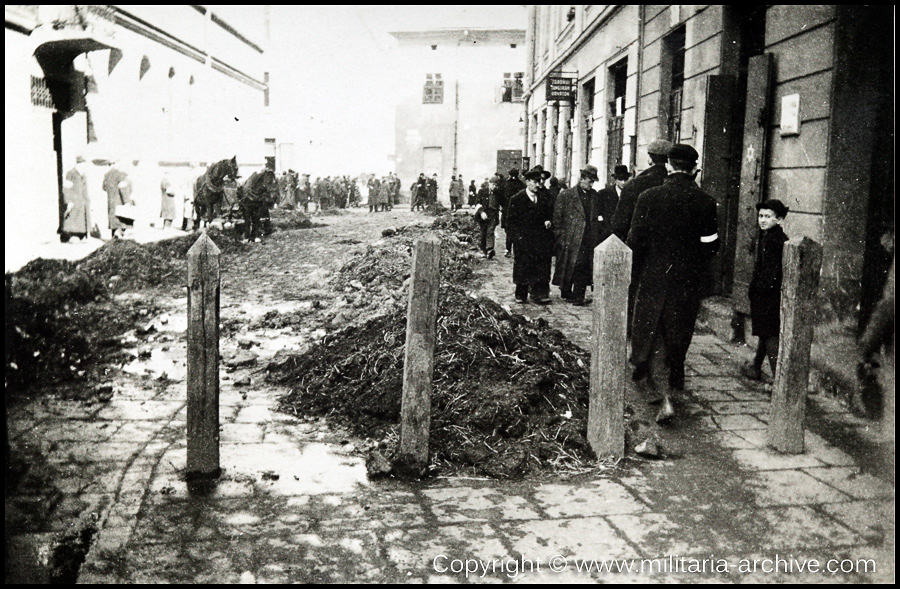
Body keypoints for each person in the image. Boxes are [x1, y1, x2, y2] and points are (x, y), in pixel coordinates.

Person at [627, 143, 719, 424]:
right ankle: (672, 385)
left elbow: (634, 242)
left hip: (654, 277)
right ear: (694, 169)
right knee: (678, 333)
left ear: (667, 166)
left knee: (653, 331)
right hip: (686, 281)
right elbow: (711, 245)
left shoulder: (648, 197)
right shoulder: (706, 201)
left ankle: (661, 392)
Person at [552, 165, 618, 305]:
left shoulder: (594, 195)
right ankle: (567, 291)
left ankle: (578, 296)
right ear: (581, 179)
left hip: (588, 238)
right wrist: (561, 238)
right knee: (571, 265)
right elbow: (557, 218)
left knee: (582, 267)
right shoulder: (567, 195)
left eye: (593, 181)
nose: (591, 184)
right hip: (571, 238)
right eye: (589, 181)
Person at [741, 199, 790, 383]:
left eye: (767, 217)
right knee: (765, 331)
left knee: (769, 334)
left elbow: (771, 272)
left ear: (779, 219)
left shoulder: (774, 240)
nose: (762, 220)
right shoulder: (769, 236)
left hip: (768, 295)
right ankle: (755, 365)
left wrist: (758, 290)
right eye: (760, 216)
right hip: (767, 294)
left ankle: (779, 381)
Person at [506, 166, 555, 304]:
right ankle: (520, 294)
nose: (538, 184)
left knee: (540, 266)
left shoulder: (543, 198)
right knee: (523, 266)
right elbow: (510, 222)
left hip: (539, 240)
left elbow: (548, 215)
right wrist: (517, 238)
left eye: (539, 181)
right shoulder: (517, 199)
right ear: (527, 182)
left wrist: (547, 221)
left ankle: (539, 294)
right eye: (534, 181)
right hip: (523, 241)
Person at [611, 139, 672, 241]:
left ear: (650, 159)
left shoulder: (634, 184)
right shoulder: (674, 183)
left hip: (641, 248)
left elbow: (619, 225)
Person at [60, 155, 91, 242]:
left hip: (82, 201)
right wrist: (69, 201)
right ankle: (72, 236)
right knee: (73, 218)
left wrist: (87, 200)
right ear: (79, 164)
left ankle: (81, 235)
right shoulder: (71, 173)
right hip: (74, 201)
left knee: (81, 219)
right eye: (83, 164)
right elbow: (66, 188)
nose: (84, 167)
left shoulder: (83, 175)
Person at [103, 159, 134, 239]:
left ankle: (114, 240)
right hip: (121, 203)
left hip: (111, 203)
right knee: (122, 224)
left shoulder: (107, 175)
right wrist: (127, 202)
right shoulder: (121, 175)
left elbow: (104, 188)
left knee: (114, 224)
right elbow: (123, 189)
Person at [474, 175, 501, 259]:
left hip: (493, 215)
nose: (494, 187)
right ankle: (484, 250)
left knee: (490, 231)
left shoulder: (498, 193)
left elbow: (502, 204)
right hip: (483, 215)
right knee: (483, 233)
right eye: (493, 184)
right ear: (489, 184)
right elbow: (477, 203)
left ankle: (490, 250)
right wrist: (481, 212)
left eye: (496, 185)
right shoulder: (482, 191)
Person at [502, 168, 526, 257]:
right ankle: (518, 250)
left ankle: (508, 249)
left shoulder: (506, 184)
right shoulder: (521, 184)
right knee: (518, 231)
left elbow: (502, 197)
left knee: (508, 231)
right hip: (519, 211)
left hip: (508, 211)